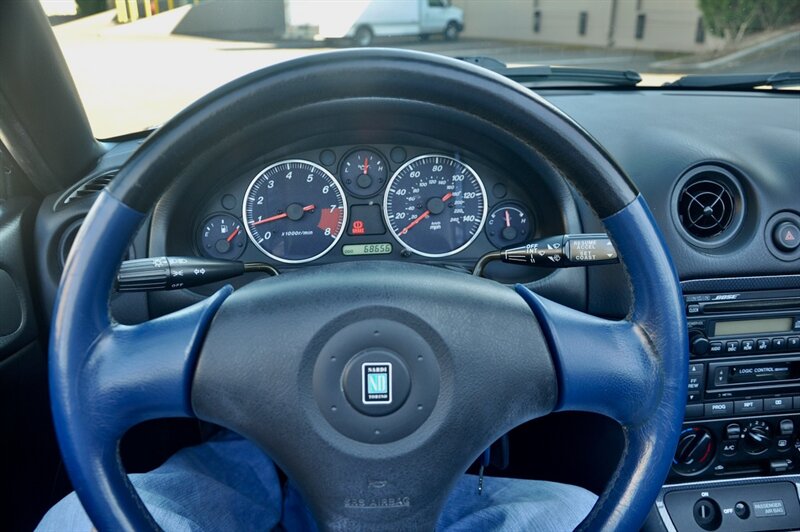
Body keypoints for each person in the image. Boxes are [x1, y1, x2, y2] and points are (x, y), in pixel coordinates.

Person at [37, 430, 597, 531]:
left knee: (80, 518)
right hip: (438, 485)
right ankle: (259, 450)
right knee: (574, 512)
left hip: (244, 462)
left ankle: (256, 453)